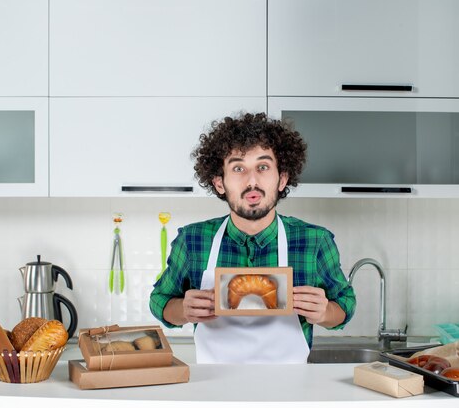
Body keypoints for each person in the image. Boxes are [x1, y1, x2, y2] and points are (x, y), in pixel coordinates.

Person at [149, 112, 356, 363]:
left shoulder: (314, 241)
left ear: (282, 179)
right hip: (214, 394)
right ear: (219, 183)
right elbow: (159, 301)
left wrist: (324, 312)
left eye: (263, 166)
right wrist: (183, 310)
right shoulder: (193, 240)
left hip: (290, 394)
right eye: (238, 168)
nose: (252, 181)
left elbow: (345, 305)